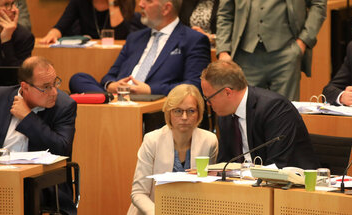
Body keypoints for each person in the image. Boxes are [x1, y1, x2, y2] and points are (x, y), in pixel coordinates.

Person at [0, 56, 77, 214]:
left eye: (55, 83)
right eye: (46, 87)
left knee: (16, 195)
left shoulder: (64, 105)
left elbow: (62, 148)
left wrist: (28, 118)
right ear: (25, 87)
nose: (53, 92)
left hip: (41, 184)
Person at [68, 0, 211, 95]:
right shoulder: (135, 38)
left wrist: (150, 90)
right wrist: (112, 85)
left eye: (148, 1)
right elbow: (109, 76)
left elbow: (194, 86)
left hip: (155, 104)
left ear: (166, 8)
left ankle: (107, 102)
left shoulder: (193, 40)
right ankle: (109, 101)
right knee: (78, 78)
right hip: (121, 97)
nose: (140, 4)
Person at [200, 61, 319, 169]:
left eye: (209, 98)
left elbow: (278, 164)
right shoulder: (225, 115)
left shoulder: (274, 108)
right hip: (246, 185)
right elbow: (225, 163)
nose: (208, 104)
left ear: (227, 92)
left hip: (293, 186)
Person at [127, 84, 218, 215]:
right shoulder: (152, 140)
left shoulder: (209, 141)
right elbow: (138, 193)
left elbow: (208, 188)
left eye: (191, 111)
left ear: (199, 113)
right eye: (178, 111)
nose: (185, 117)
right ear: (169, 113)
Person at [216, 0, 326, 101]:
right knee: (245, 114)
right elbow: (225, 13)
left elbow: (318, 4)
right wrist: (223, 50)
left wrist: (303, 41)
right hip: (245, 56)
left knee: (285, 114)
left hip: (286, 55)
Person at [39, 0, 137, 44]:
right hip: (88, 54)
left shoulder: (127, 2)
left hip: (116, 55)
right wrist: (51, 35)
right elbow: (61, 26)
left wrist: (112, 2)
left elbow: (120, 36)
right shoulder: (79, 2)